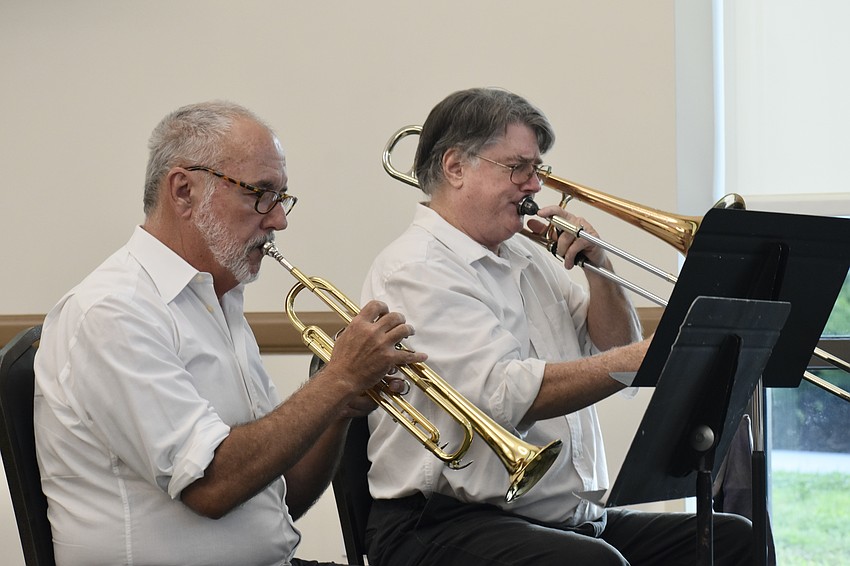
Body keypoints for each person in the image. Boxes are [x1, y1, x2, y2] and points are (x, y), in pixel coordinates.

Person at [360, 87, 753, 565]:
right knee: (594, 563)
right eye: (518, 168)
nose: (534, 186)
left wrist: (599, 265)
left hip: (554, 516)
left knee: (735, 540)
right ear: (456, 167)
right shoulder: (417, 268)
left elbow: (617, 347)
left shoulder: (525, 255)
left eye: (537, 169)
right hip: (441, 522)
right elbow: (502, 395)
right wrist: (638, 356)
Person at [33, 101, 427, 566]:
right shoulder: (114, 311)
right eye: (260, 194)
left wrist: (338, 408)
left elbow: (279, 497)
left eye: (282, 197)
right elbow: (212, 487)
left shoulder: (217, 300)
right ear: (183, 191)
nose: (279, 220)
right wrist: (338, 378)